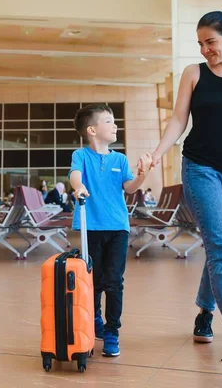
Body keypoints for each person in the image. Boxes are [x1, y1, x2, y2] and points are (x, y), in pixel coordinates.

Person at [150, 7, 222, 363]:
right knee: (220, 248)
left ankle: (204, 311)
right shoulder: (193, 74)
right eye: (200, 43)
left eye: (211, 42)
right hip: (201, 168)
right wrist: (157, 153)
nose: (205, 50)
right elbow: (177, 120)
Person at [70, 104, 152, 357]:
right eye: (109, 121)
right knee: (93, 281)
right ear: (92, 130)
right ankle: (94, 317)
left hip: (118, 227)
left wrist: (142, 175)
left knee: (114, 281)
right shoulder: (81, 155)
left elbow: (129, 187)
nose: (115, 125)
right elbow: (75, 175)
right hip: (91, 226)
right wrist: (79, 188)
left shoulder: (120, 159)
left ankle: (112, 332)